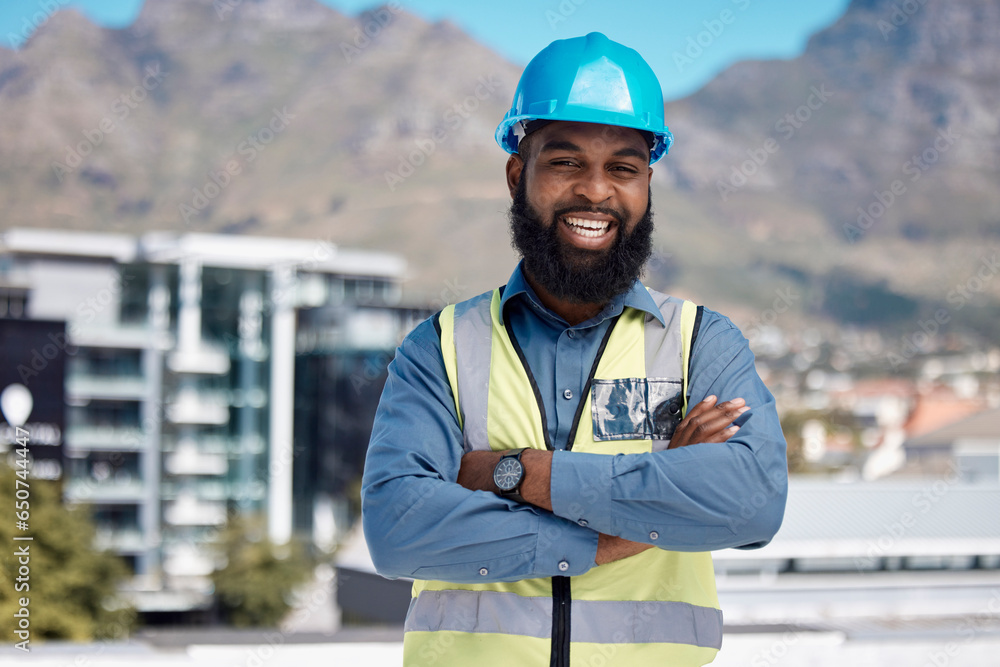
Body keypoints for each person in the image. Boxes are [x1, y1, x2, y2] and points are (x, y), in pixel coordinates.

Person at [361, 32, 787, 667]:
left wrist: (515, 472)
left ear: (647, 184)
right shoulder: (441, 348)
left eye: (623, 167)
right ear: (517, 175)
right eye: (564, 163)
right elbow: (398, 531)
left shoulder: (703, 343)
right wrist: (637, 513)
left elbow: (750, 504)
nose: (595, 192)